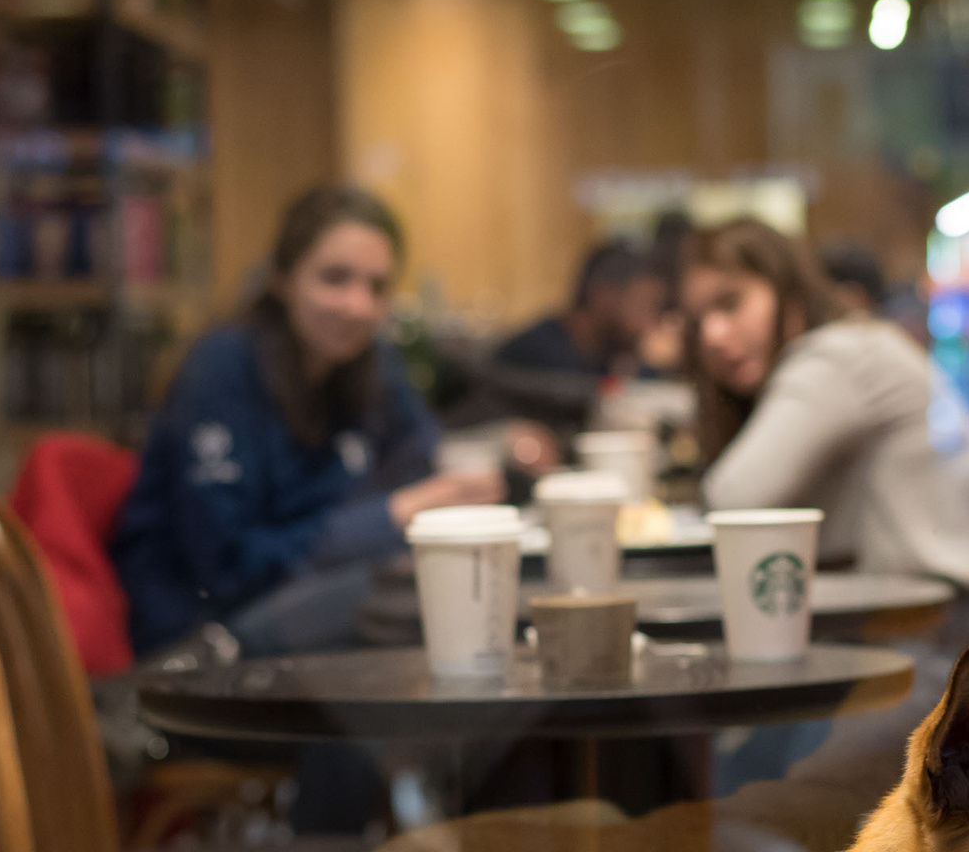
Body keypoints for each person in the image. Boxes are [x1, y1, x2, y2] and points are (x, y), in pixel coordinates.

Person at [113, 184, 499, 660]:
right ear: (283, 279)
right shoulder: (221, 369)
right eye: (335, 278)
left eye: (377, 287)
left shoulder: (369, 361)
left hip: (317, 610)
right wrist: (388, 517)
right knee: (427, 616)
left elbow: (421, 462)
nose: (358, 306)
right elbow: (231, 569)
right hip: (206, 643)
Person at [686, 217, 969, 708]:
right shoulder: (851, 348)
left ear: (789, 292)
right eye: (698, 318)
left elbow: (731, 501)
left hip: (967, 649)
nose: (713, 334)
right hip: (952, 635)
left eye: (730, 303)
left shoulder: (838, 357)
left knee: (745, 757)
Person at [478, 240, 669, 430]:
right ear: (602, 296)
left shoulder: (611, 354)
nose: (648, 324)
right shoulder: (538, 352)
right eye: (642, 306)